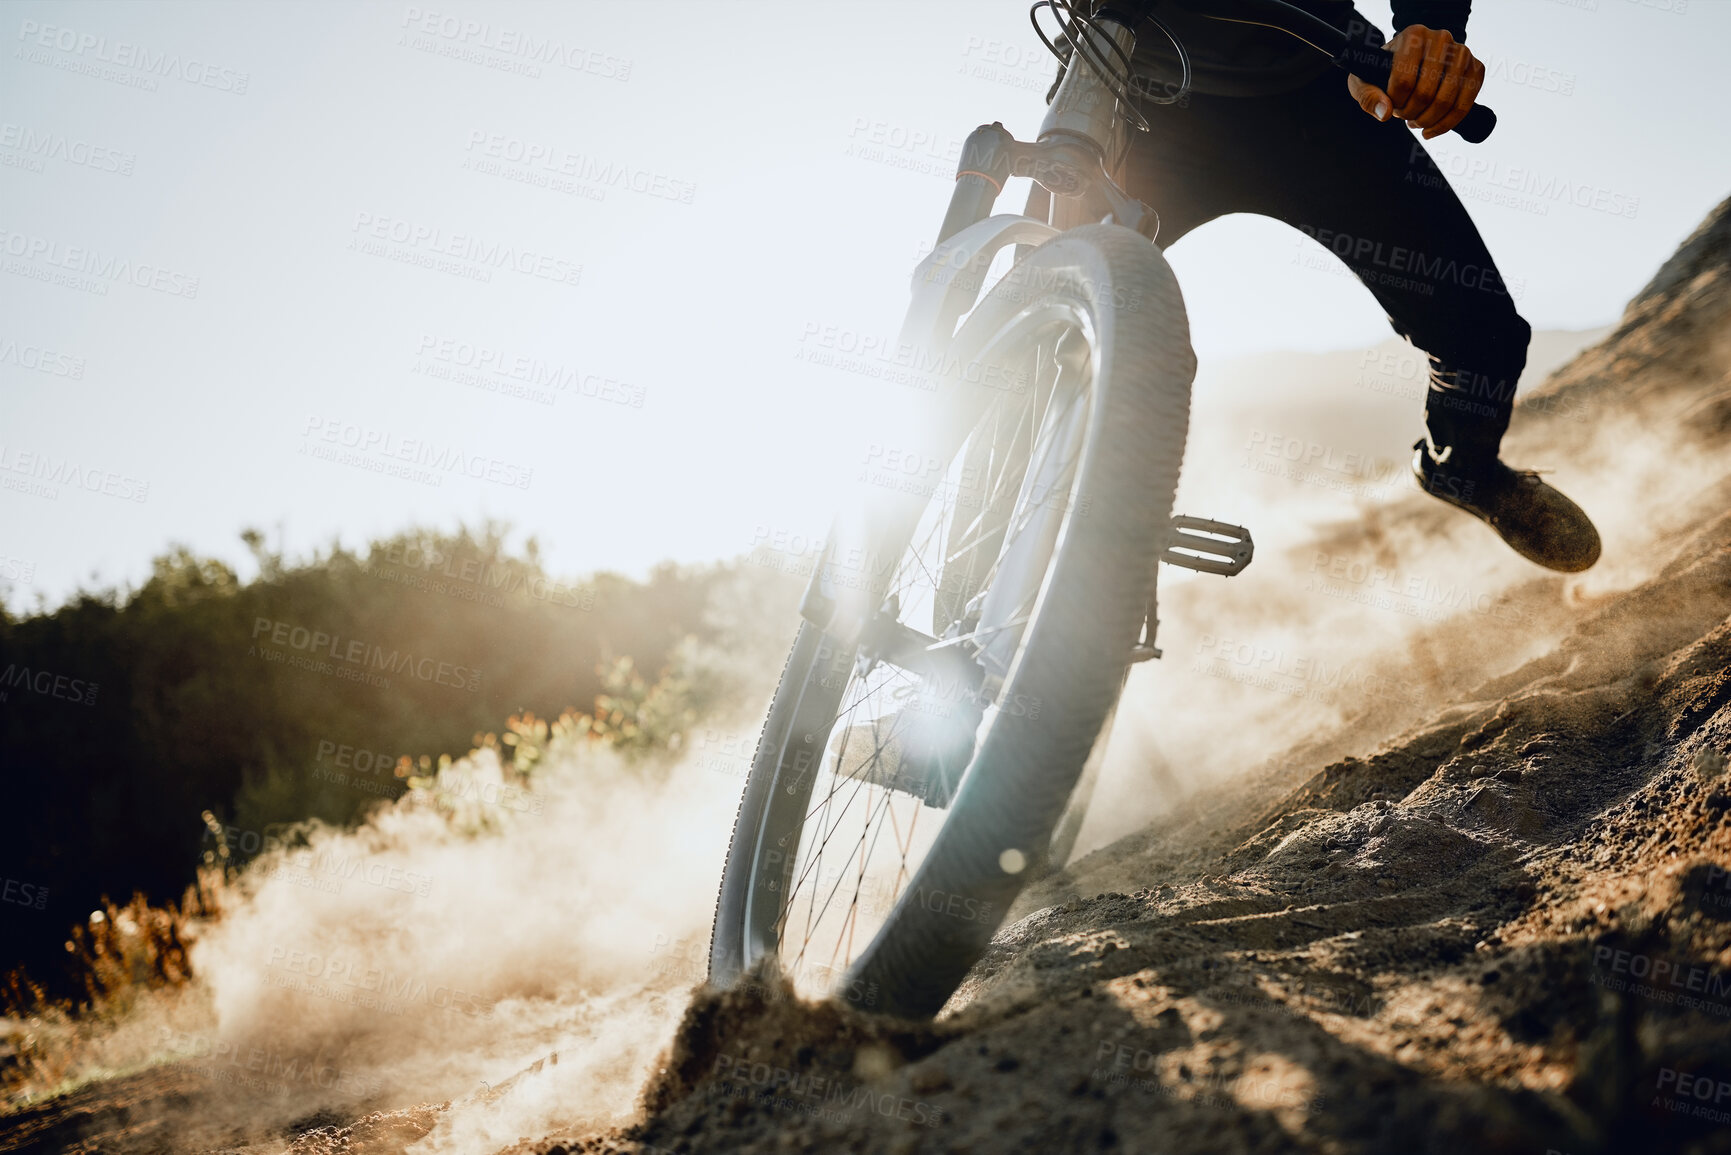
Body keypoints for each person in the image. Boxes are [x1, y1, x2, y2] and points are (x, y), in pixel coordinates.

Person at [1075, 0, 1601, 571]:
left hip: (1321, 76)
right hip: (1129, 84)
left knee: (1481, 336)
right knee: (1048, 325)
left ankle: (1463, 468)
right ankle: (1016, 539)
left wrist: (1431, 25)